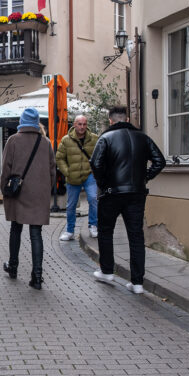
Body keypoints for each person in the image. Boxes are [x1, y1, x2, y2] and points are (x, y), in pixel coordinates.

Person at [89, 105, 165, 294]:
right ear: (127, 120)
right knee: (136, 235)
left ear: (110, 120)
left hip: (111, 193)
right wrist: (145, 177)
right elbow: (160, 161)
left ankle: (107, 271)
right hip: (136, 193)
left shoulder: (105, 138)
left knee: (106, 231)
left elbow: (95, 163)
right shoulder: (143, 138)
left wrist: (104, 181)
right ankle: (137, 282)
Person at [0, 108, 56, 290]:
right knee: (36, 233)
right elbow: (52, 170)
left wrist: (4, 189)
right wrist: (46, 188)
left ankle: (13, 267)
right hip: (39, 193)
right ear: (36, 122)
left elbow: (6, 169)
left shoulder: (13, 140)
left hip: (19, 192)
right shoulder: (45, 142)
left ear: (22, 121)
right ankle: (37, 276)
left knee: (15, 228)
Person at [55, 115, 99, 241]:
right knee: (71, 205)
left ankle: (93, 225)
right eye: (79, 124)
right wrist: (67, 172)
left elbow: (100, 156)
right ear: (74, 124)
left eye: (84, 124)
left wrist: (96, 171)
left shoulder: (94, 139)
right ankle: (70, 231)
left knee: (92, 199)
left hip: (89, 175)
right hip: (72, 177)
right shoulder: (66, 140)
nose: (82, 127)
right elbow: (59, 158)